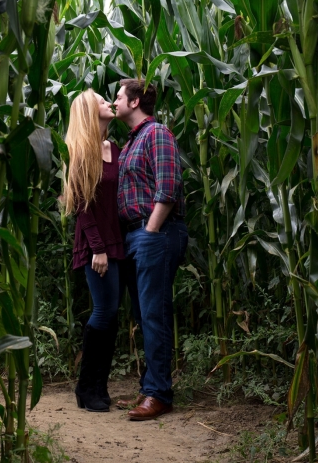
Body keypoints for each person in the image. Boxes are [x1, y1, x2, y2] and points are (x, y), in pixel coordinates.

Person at [113, 79, 188, 421]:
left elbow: (169, 185)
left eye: (118, 96)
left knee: (153, 312)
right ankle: (152, 385)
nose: (114, 101)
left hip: (153, 232)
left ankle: (159, 393)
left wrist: (151, 230)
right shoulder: (130, 143)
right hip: (136, 235)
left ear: (135, 101)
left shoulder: (157, 132)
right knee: (145, 314)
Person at [63, 89, 123, 412]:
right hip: (95, 246)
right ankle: (86, 387)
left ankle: (100, 387)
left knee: (112, 315)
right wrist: (98, 248)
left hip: (117, 243)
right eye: (101, 101)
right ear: (88, 111)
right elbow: (81, 207)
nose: (108, 103)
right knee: (103, 311)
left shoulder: (113, 148)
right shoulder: (80, 150)